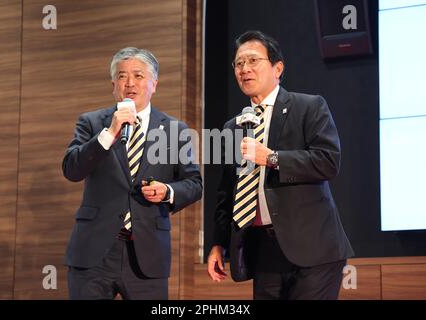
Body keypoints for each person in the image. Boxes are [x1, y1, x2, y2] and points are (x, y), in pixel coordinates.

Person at [207, 30, 354, 300]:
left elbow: (328, 162)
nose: (244, 69)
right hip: (263, 251)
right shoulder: (234, 126)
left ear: (277, 68)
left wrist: (273, 158)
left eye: (253, 61)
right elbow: (226, 192)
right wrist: (217, 243)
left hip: (314, 250)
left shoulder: (308, 107)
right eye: (239, 63)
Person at [63, 47, 202, 300]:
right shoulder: (92, 122)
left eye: (138, 76)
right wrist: (108, 133)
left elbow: (194, 184)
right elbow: (72, 169)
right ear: (113, 84)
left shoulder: (174, 129)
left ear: (154, 84)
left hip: (147, 255)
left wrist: (167, 191)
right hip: (93, 253)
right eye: (122, 76)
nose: (130, 83)